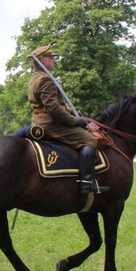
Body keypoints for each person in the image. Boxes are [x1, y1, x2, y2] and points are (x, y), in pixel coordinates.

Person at [28, 44, 108, 195]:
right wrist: (77, 122)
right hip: (51, 124)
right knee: (90, 141)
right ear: (42, 60)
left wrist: (77, 114)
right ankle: (86, 182)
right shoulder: (45, 79)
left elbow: (58, 105)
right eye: (51, 57)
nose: (54, 60)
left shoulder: (35, 77)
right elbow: (54, 109)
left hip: (41, 120)